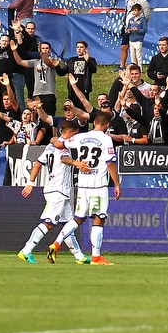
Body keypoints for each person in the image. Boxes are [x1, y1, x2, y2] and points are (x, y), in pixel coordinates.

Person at [47, 113, 121, 266]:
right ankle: (96, 257)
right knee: (98, 218)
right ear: (107, 125)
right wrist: (117, 184)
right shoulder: (106, 139)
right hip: (98, 184)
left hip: (82, 184)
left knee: (78, 218)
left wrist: (54, 138)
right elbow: (110, 164)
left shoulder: (81, 137)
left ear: (94, 122)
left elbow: (59, 144)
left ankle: (56, 243)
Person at [17, 120, 92, 264]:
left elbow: (38, 163)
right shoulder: (62, 147)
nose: (74, 138)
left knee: (68, 224)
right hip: (58, 190)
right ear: (69, 133)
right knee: (49, 223)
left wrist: (31, 183)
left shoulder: (51, 146)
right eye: (74, 134)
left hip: (55, 188)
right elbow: (64, 159)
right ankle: (26, 250)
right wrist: (77, 163)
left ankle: (78, 256)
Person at [118, 0, 152, 70]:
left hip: (137, 29)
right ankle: (122, 66)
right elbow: (126, 12)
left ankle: (137, 67)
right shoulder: (128, 0)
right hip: (127, 27)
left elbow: (147, 15)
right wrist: (125, 23)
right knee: (124, 46)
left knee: (136, 50)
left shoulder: (143, 2)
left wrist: (140, 24)